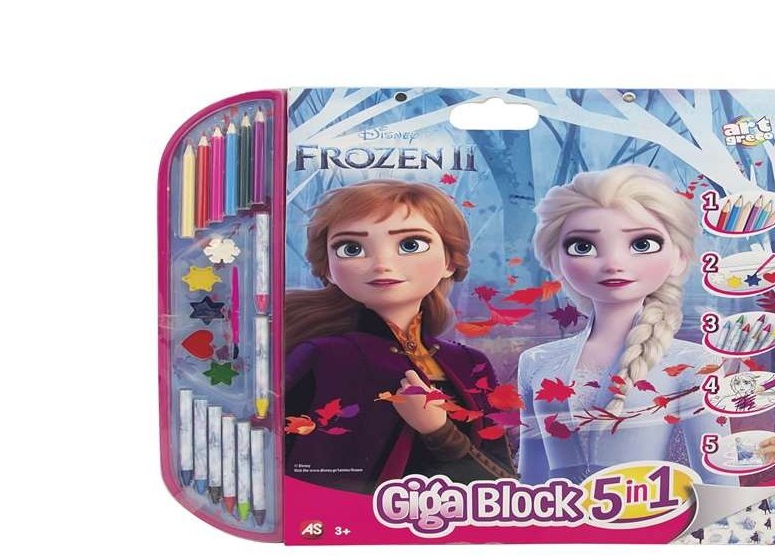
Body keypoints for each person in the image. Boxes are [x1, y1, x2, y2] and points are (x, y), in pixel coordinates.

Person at [282, 180, 514, 493]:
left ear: (449, 261)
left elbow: (503, 485)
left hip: (458, 517)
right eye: (351, 248)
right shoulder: (325, 357)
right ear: (328, 269)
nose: (382, 264)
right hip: (347, 518)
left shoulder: (469, 363)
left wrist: (438, 431)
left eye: (411, 245)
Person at [518, 166, 717, 485]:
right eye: (583, 246)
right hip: (555, 513)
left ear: (679, 257)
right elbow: (531, 475)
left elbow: (717, 479)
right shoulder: (536, 361)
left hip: (646, 510)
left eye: (642, 244)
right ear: (555, 261)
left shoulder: (693, 363)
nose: (613, 263)